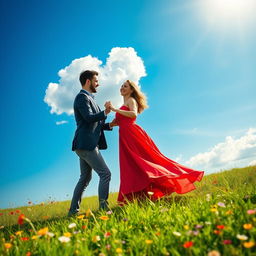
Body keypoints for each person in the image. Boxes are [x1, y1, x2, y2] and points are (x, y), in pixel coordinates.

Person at [108, 80, 204, 203]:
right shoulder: (123, 104)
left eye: (125, 86)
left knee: (146, 161)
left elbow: (133, 114)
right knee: (132, 165)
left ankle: (174, 176)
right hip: (125, 137)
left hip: (133, 135)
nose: (122, 88)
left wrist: (115, 109)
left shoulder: (131, 100)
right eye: (121, 86)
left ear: (132, 90)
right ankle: (142, 195)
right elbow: (120, 121)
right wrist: (110, 124)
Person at [68, 70, 113, 216]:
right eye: (95, 81)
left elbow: (96, 123)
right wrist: (105, 112)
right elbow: (88, 118)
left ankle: (73, 212)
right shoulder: (82, 97)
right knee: (105, 174)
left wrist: (110, 125)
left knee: (85, 178)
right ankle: (103, 209)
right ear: (88, 81)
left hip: (84, 144)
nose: (98, 83)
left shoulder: (90, 98)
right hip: (86, 144)